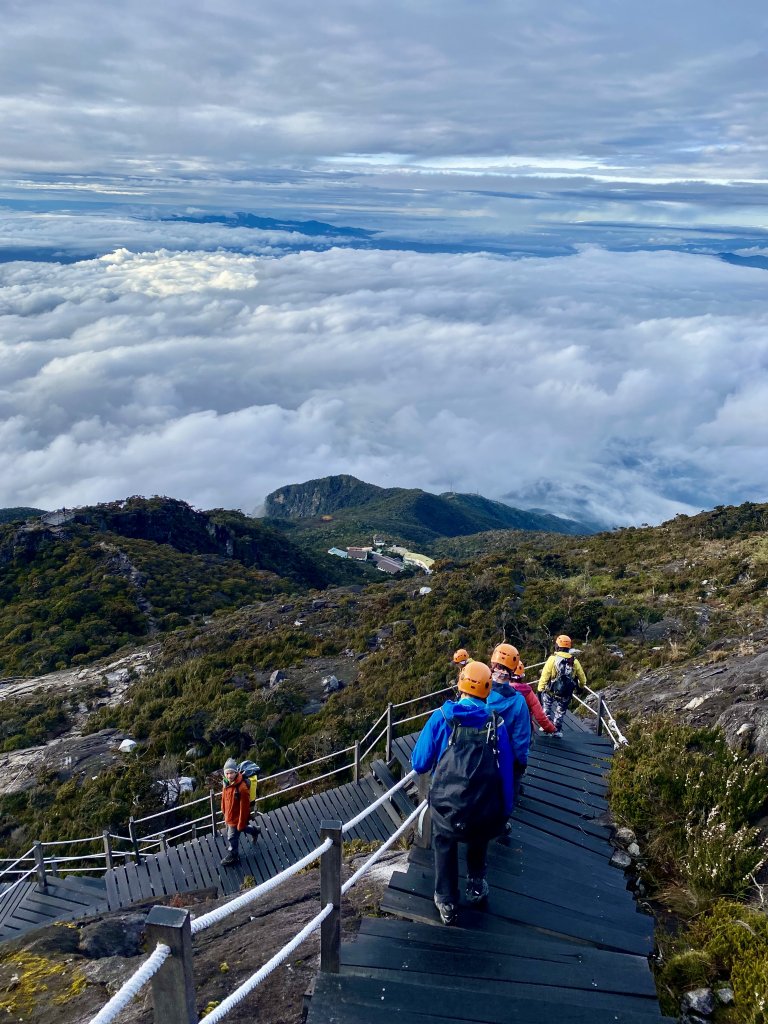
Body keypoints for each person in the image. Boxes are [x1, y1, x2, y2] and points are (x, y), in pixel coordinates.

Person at [411, 661, 514, 926]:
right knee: (478, 836)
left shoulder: (442, 717)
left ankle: (446, 898)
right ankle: (476, 885)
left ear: (461, 683)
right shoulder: (496, 724)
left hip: (446, 806)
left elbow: (419, 763)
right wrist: (505, 810)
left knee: (444, 840)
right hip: (482, 807)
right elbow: (506, 772)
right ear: (487, 688)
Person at [486, 644, 537, 801]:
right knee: (507, 797)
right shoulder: (518, 702)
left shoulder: (480, 694)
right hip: (505, 758)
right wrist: (521, 763)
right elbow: (521, 739)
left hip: (479, 756)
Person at [490, 643, 556, 736]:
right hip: (514, 736)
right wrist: (551, 729)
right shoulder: (524, 695)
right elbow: (540, 715)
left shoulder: (483, 689)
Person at [537, 635, 587, 736]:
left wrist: (539, 690)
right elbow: (582, 678)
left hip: (551, 690)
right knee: (560, 712)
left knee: (547, 706)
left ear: (557, 646)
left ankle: (546, 726)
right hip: (566, 693)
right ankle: (557, 731)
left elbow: (545, 676)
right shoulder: (574, 661)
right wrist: (581, 687)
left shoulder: (552, 659)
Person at [220, 757, 260, 867]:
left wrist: (241, 822)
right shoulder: (226, 783)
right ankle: (255, 830)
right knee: (240, 829)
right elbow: (223, 798)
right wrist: (223, 811)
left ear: (236, 772)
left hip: (237, 818)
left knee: (232, 837)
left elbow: (245, 807)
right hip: (229, 815)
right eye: (227, 773)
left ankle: (233, 855)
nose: (229, 776)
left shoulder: (241, 788)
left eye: (231, 773)